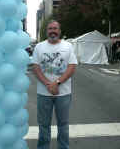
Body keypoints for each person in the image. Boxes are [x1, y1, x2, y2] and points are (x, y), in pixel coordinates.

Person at [32, 20, 77, 149]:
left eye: (55, 28)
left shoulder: (68, 46)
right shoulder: (39, 47)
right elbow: (36, 67)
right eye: (50, 29)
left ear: (59, 31)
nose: (52, 31)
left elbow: (72, 67)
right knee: (43, 125)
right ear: (47, 31)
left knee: (63, 124)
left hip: (63, 94)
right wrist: (48, 84)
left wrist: (57, 82)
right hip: (43, 93)